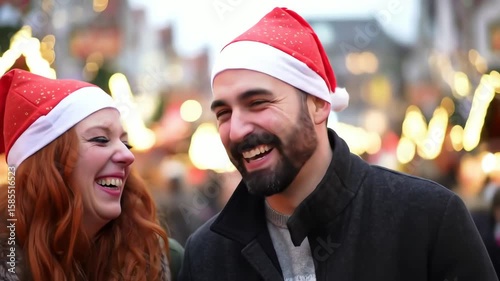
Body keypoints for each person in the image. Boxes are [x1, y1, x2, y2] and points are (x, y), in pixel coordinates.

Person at [178, 7, 498, 281]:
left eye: (258, 103)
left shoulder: (427, 218)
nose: (236, 130)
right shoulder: (207, 253)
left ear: (318, 104)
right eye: (223, 113)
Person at [0, 69, 174, 281]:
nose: (127, 155)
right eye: (101, 139)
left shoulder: (154, 254)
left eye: (126, 143)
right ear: (50, 163)